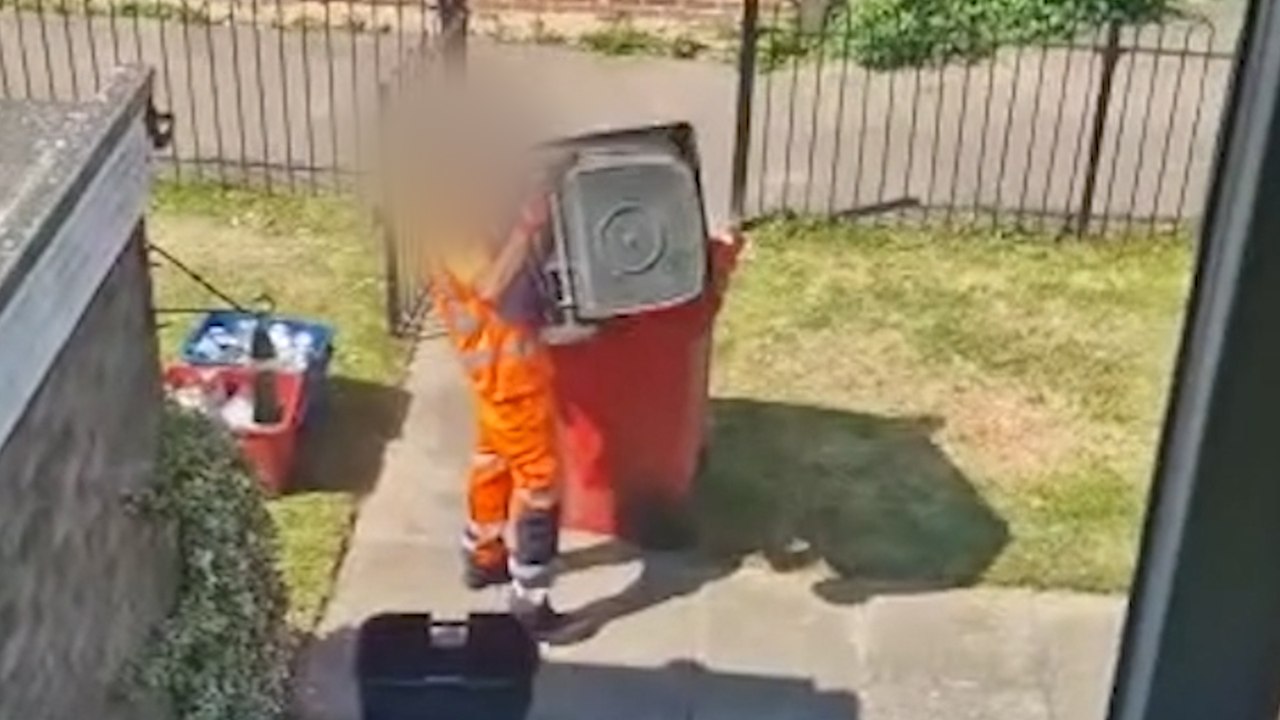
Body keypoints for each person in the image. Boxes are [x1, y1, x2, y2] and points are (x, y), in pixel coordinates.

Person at [427, 157, 576, 640]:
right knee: (540, 484)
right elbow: (490, 286)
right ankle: (531, 601)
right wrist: (528, 225)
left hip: (495, 377)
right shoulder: (453, 233)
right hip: (511, 378)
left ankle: (483, 554)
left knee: (492, 462)